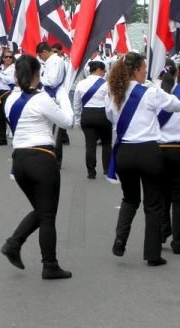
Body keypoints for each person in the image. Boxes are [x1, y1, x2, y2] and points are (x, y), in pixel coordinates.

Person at [0, 55, 74, 279]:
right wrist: (63, 95)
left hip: (19, 160)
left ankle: (14, 244)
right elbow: (67, 121)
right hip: (41, 158)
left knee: (42, 211)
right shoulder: (41, 99)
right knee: (48, 215)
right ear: (36, 74)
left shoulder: (10, 100)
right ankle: (49, 265)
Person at [106, 52, 180, 266]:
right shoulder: (150, 92)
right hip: (148, 151)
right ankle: (152, 254)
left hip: (125, 153)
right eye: (144, 69)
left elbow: (110, 117)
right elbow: (175, 104)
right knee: (153, 203)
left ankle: (120, 240)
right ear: (136, 70)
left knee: (129, 199)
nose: (146, 72)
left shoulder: (114, 92)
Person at [73, 60, 111, 179]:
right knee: (106, 143)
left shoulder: (81, 84)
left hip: (87, 114)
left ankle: (91, 171)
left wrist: (77, 120)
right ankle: (107, 170)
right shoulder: (106, 84)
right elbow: (111, 102)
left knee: (90, 144)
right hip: (102, 114)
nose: (105, 73)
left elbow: (77, 104)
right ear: (99, 70)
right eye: (104, 71)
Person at [158, 59, 180, 252]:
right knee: (178, 198)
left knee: (162, 196)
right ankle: (178, 241)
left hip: (160, 150)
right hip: (178, 149)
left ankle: (163, 231)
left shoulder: (154, 97)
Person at [0, 50, 16, 146]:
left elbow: (12, 80)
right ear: (2, 58)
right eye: (6, 57)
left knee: (7, 116)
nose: (8, 58)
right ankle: (2, 139)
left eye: (10, 57)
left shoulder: (14, 68)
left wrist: (1, 76)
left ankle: (17, 137)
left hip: (8, 92)